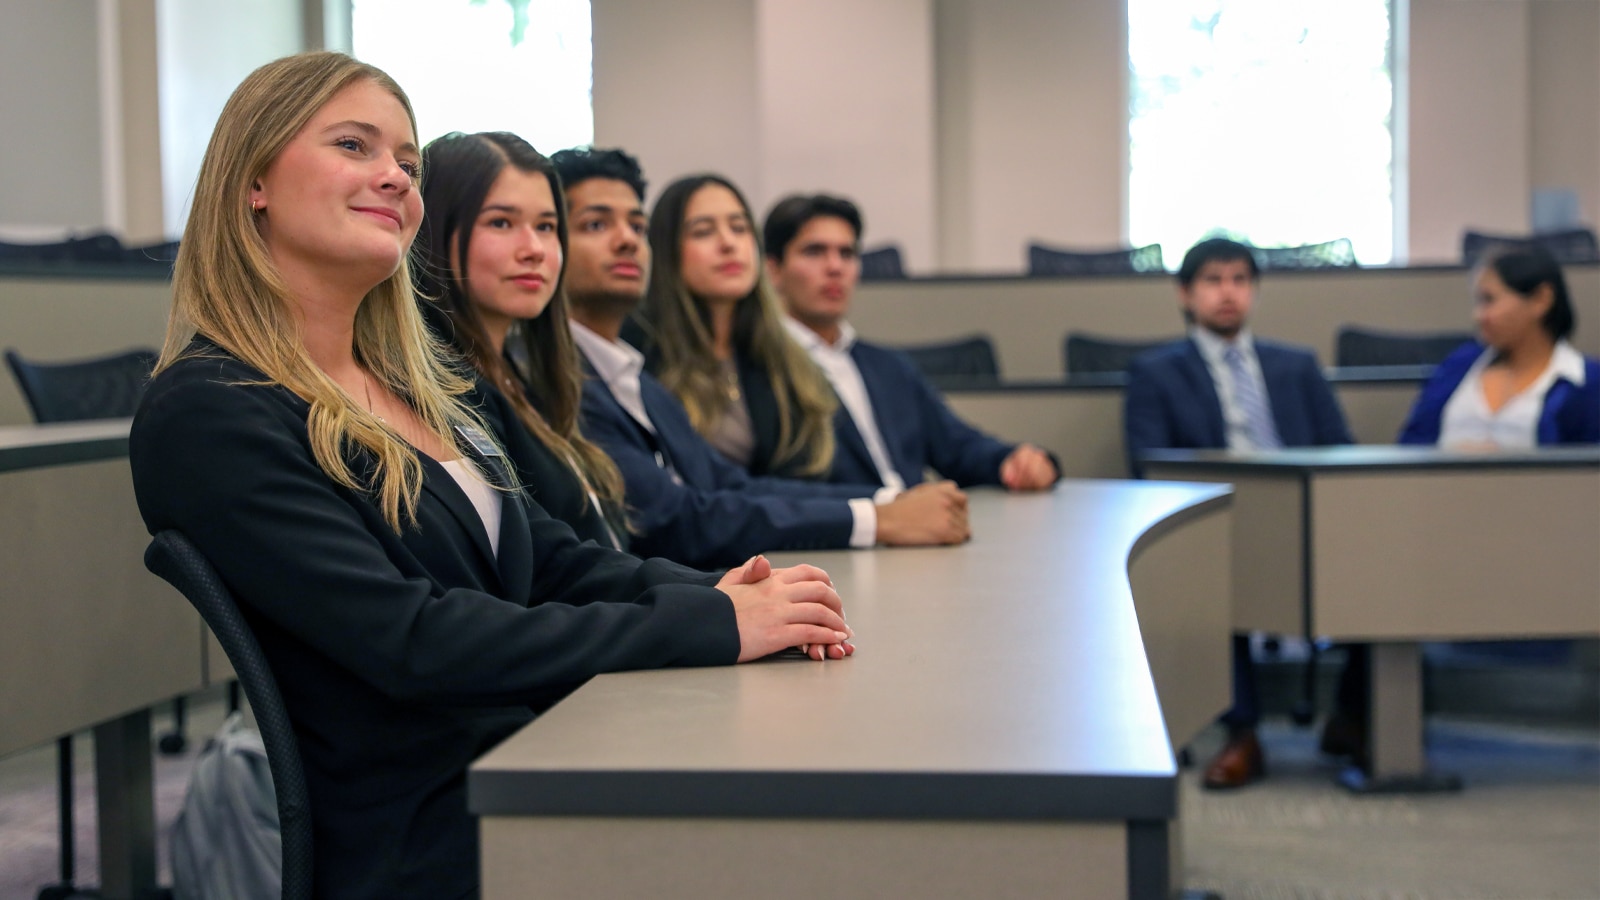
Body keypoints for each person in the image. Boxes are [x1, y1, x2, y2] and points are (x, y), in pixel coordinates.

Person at [128, 53, 852, 900]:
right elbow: (417, 642)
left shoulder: (405, 383)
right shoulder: (212, 409)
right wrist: (707, 627)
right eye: (355, 146)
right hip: (435, 828)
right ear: (253, 180)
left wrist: (723, 590)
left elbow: (549, 559)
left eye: (407, 163)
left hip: (529, 750)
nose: (394, 178)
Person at [549, 147, 970, 568]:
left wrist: (887, 501)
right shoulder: (572, 378)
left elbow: (732, 484)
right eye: (596, 224)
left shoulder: (634, 373)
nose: (626, 239)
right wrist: (877, 518)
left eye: (636, 225)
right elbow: (677, 517)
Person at [1123, 237, 1360, 790]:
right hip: (1214, 522)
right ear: (1184, 294)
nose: (1227, 293)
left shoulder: (1296, 365)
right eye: (1212, 281)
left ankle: (1354, 717)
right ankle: (1242, 733)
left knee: (1376, 562)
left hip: (1305, 517)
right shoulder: (1156, 372)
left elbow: (1339, 447)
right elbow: (1149, 463)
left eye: (1239, 280)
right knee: (1214, 578)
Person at [412, 130, 626, 548]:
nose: (534, 249)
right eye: (501, 222)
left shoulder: (520, 376)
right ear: (434, 228)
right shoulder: (441, 390)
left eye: (546, 226)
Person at [763, 192, 1059, 492]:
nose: (835, 267)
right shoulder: (760, 369)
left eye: (847, 253)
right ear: (773, 270)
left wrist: (1014, 460)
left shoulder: (887, 367)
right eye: (814, 252)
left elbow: (957, 447)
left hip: (919, 532)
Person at [634, 173, 838, 479]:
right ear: (667, 251)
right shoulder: (638, 354)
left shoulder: (783, 354)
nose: (729, 243)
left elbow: (807, 473)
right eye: (703, 232)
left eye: (740, 228)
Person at [1398, 245, 1599, 447]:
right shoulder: (1458, 366)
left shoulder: (1586, 383)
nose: (1478, 316)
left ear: (1541, 299)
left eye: (1489, 300)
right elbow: (1410, 448)